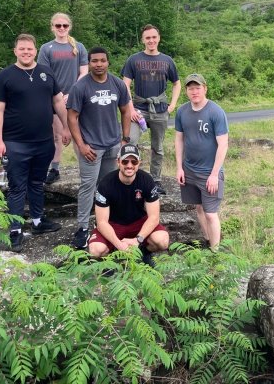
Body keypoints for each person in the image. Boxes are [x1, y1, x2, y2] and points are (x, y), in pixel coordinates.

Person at [0, 34, 71, 252]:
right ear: (15, 51)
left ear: (35, 51)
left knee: (37, 183)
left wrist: (65, 127)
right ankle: (15, 230)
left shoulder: (46, 72)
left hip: (43, 141)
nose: (26, 52)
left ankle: (37, 221)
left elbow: (57, 101)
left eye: (29, 49)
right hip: (15, 142)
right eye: (22, 49)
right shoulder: (6, 76)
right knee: (17, 187)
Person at [67, 46, 132, 249]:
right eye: (94, 61)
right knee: (88, 186)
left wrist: (125, 139)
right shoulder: (81, 87)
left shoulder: (118, 84)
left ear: (108, 62)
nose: (98, 64)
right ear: (89, 63)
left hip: (113, 144)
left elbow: (125, 110)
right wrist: (81, 145)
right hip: (91, 147)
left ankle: (108, 222)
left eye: (102, 60)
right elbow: (72, 117)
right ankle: (83, 227)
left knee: (109, 185)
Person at [121, 24, 181, 193]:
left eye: (154, 37)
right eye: (148, 38)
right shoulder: (134, 59)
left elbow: (177, 83)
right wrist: (130, 108)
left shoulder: (167, 60)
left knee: (158, 147)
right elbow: (125, 84)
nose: (151, 40)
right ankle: (132, 178)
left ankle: (155, 180)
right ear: (143, 40)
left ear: (159, 38)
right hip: (138, 109)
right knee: (130, 142)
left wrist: (172, 106)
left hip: (160, 109)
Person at [89, 144, 169, 264]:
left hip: (138, 223)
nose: (129, 165)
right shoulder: (106, 184)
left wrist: (137, 240)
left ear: (139, 162)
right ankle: (109, 260)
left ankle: (143, 252)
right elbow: (101, 222)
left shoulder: (146, 180)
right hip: (113, 225)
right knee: (96, 251)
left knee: (162, 241)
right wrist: (120, 245)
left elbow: (154, 217)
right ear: (118, 162)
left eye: (134, 161)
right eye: (125, 161)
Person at [174, 73, 229, 250]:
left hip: (209, 172)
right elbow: (178, 140)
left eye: (197, 88)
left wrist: (214, 174)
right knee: (198, 208)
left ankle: (216, 251)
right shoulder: (182, 111)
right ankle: (207, 241)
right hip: (189, 169)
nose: (194, 91)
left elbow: (223, 145)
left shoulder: (216, 112)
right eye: (191, 88)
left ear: (205, 89)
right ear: (186, 91)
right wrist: (179, 168)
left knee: (211, 213)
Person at [38, 12, 88, 184]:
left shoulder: (79, 47)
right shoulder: (46, 48)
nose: (61, 28)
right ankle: (55, 168)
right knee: (57, 135)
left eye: (64, 25)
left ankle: (85, 170)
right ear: (52, 27)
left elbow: (84, 72)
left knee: (78, 134)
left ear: (69, 27)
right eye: (58, 25)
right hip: (54, 98)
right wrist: (57, 94)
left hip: (76, 97)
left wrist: (72, 92)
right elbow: (44, 74)